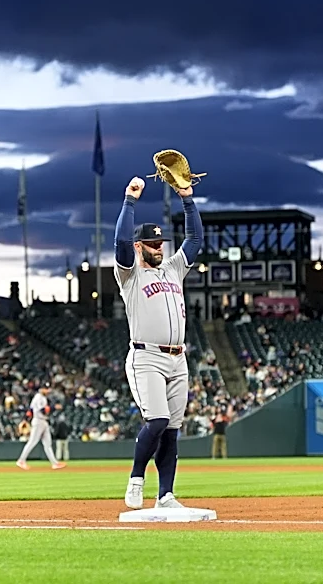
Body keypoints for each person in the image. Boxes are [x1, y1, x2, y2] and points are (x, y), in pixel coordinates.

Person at [114, 175, 203, 510]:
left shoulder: (172, 269)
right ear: (140, 247)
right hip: (146, 357)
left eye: (160, 243)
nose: (159, 247)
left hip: (178, 358)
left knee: (172, 430)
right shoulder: (130, 275)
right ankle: (136, 479)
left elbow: (195, 239)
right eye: (152, 244)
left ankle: (165, 495)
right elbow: (121, 243)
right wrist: (130, 200)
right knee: (158, 421)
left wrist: (187, 199)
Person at [16, 383, 67, 470]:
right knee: (32, 442)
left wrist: (25, 419)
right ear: (41, 389)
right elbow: (43, 410)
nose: (47, 390)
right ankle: (21, 460)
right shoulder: (38, 397)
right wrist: (54, 407)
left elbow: (31, 410)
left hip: (43, 421)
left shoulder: (42, 398)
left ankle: (55, 463)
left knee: (48, 444)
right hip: (38, 421)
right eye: (45, 389)